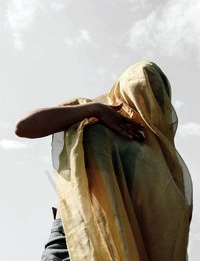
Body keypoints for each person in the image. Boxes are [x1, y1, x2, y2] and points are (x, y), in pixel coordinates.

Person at [15, 61, 193, 261]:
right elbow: (24, 127)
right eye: (141, 84)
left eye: (157, 91)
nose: (147, 94)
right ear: (124, 85)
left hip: (127, 249)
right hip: (74, 236)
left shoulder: (158, 155)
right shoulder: (90, 118)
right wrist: (94, 110)